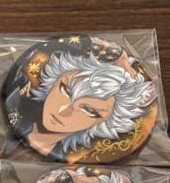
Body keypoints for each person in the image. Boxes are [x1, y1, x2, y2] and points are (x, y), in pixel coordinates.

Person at [17, 50, 156, 159]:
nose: (63, 111)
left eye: (89, 110)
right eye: (65, 91)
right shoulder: (17, 105)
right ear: (54, 81)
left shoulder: (79, 156)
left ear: (107, 121)